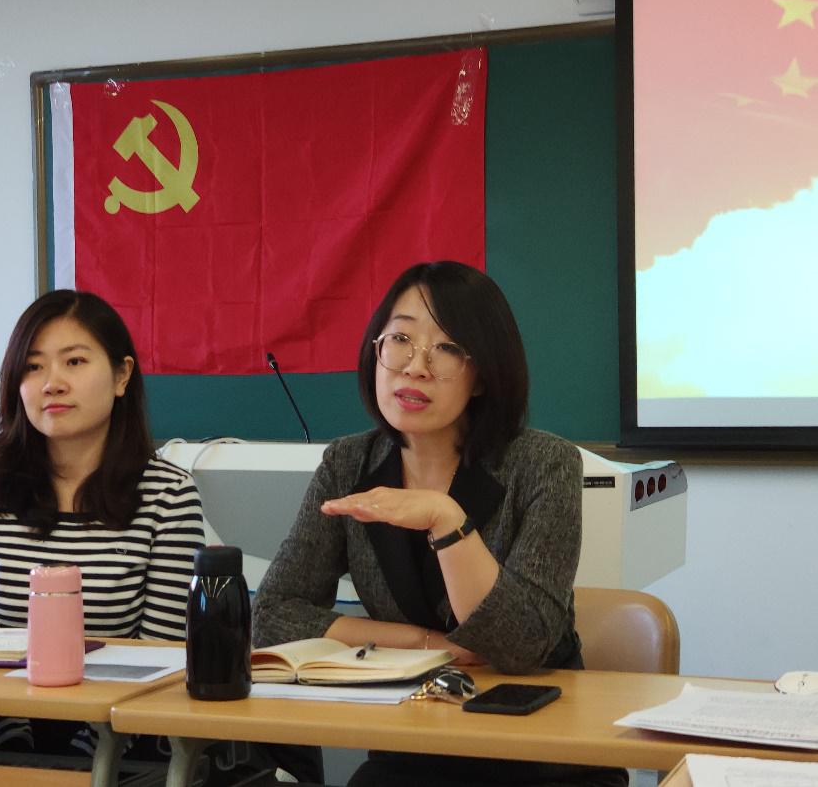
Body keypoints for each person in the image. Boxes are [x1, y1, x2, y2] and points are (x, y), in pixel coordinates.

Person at [252, 261, 627, 787]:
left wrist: (447, 520)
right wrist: (426, 643)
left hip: (541, 752)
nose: (415, 367)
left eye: (447, 348)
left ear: (482, 376)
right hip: (415, 743)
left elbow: (519, 647)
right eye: (400, 339)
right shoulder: (347, 464)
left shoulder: (544, 464)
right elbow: (273, 615)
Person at [0, 289, 205, 755]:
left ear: (122, 375)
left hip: (124, 737)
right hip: (4, 731)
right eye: (33, 366)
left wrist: (85, 760)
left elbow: (161, 658)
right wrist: (11, 750)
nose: (52, 383)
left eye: (75, 362)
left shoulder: (168, 495)